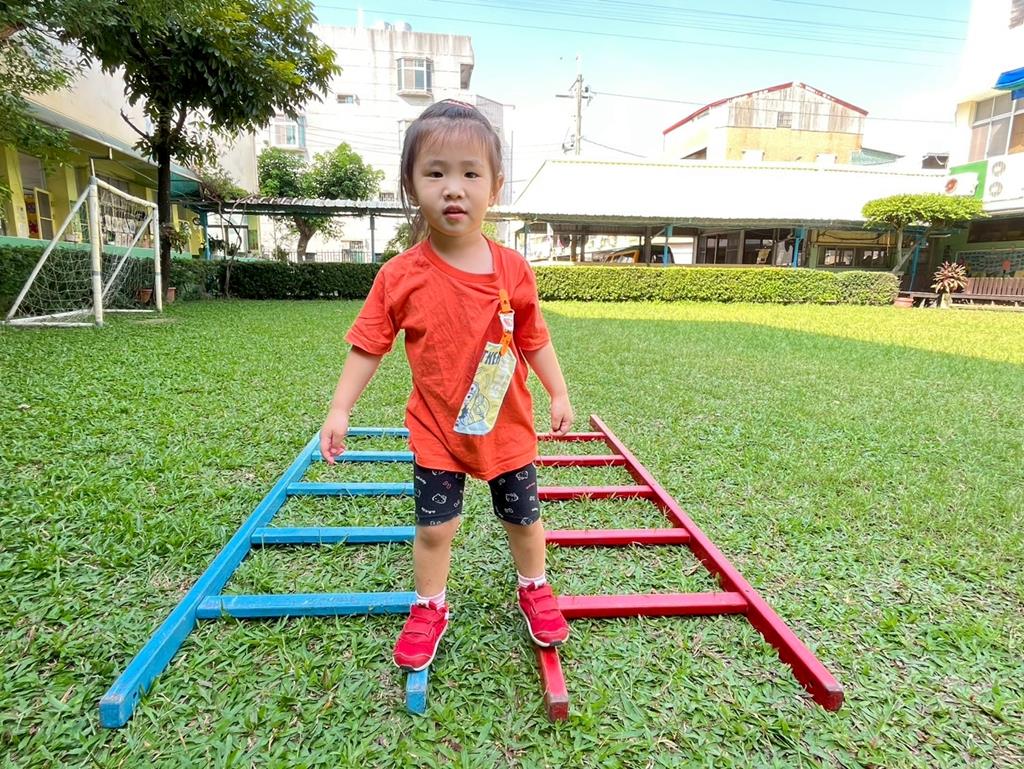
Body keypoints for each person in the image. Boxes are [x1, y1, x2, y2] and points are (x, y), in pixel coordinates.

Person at [318, 100, 574, 673]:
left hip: (506, 428)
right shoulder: (399, 275)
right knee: (435, 530)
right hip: (437, 432)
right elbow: (369, 344)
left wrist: (558, 392)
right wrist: (339, 409)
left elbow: (533, 337)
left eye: (470, 173)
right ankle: (430, 605)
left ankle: (534, 587)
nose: (453, 188)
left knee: (524, 520)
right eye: (435, 173)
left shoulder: (513, 270)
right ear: (411, 185)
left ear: (495, 187)